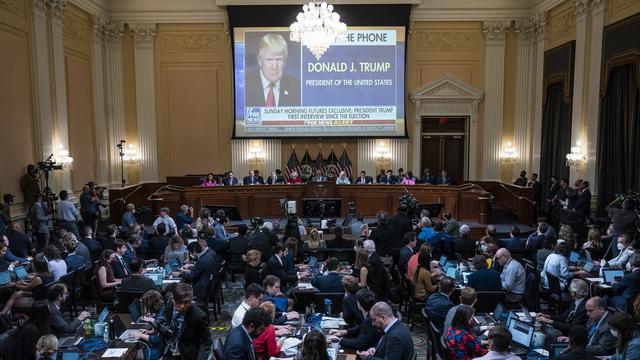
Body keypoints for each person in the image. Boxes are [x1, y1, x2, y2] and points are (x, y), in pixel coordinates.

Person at [245, 33, 300, 107]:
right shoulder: (245, 85)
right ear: (259, 60)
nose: (274, 66)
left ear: (285, 61)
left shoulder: (296, 86)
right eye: (269, 60)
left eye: (279, 59)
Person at [161, 283, 211, 359]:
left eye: (186, 302)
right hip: (168, 349)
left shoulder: (198, 316)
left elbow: (206, 341)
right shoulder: (169, 303)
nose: (182, 306)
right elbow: (165, 315)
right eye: (179, 302)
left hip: (187, 354)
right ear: (173, 299)